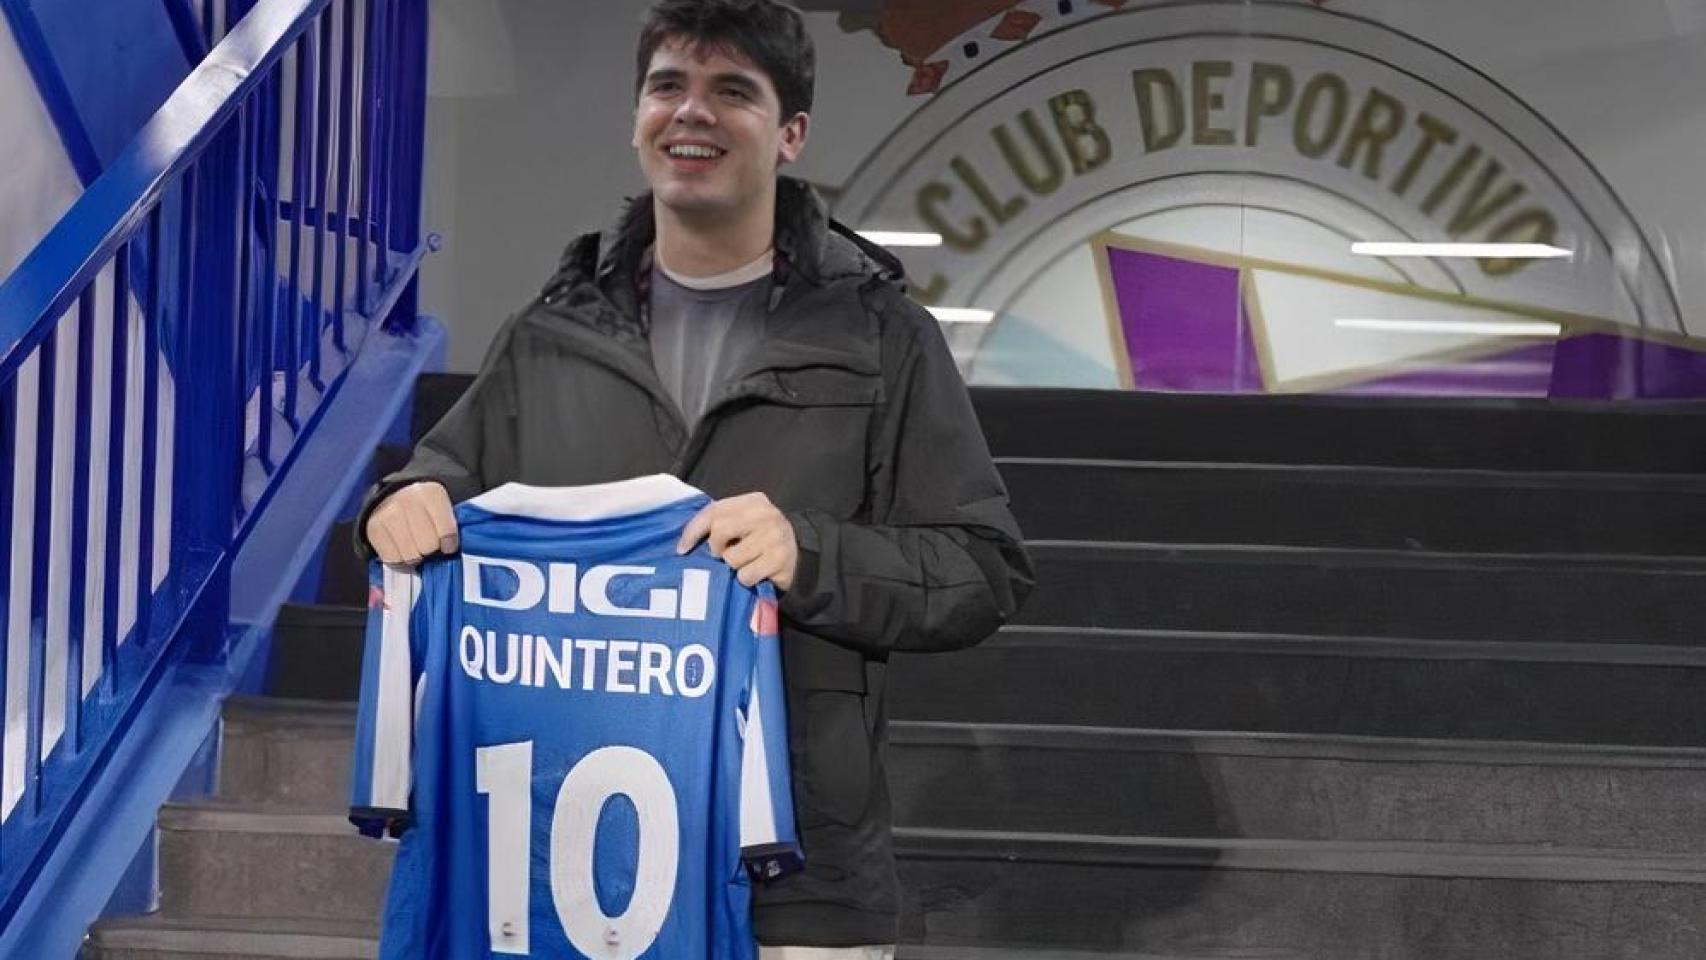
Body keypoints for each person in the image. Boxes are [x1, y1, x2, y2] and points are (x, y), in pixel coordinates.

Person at [355, 0, 1035, 956]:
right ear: (637, 117)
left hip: (800, 878)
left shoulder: (881, 337)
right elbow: (433, 489)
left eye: (732, 92)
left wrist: (810, 552)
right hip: (567, 876)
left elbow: (982, 571)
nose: (692, 113)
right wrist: (394, 509)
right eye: (667, 86)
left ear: (791, 132)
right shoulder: (549, 337)